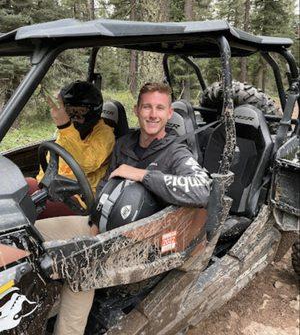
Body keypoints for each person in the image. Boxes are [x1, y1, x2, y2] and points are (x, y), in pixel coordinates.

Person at [35, 82, 211, 335]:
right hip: (104, 226)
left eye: (159, 108)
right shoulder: (124, 144)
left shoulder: (176, 152)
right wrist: (95, 217)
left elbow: (201, 189)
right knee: (33, 234)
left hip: (142, 240)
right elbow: (107, 184)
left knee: (81, 269)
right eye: (147, 107)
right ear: (137, 110)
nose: (153, 114)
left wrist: (143, 175)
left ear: (169, 113)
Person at [27, 80, 115, 218]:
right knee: (16, 187)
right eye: (69, 111)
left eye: (80, 111)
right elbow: (53, 161)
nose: (73, 117)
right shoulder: (70, 132)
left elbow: (86, 163)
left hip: (77, 200)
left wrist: (65, 126)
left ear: (93, 110)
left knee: (23, 207)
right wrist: (40, 186)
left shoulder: (105, 134)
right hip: (50, 188)